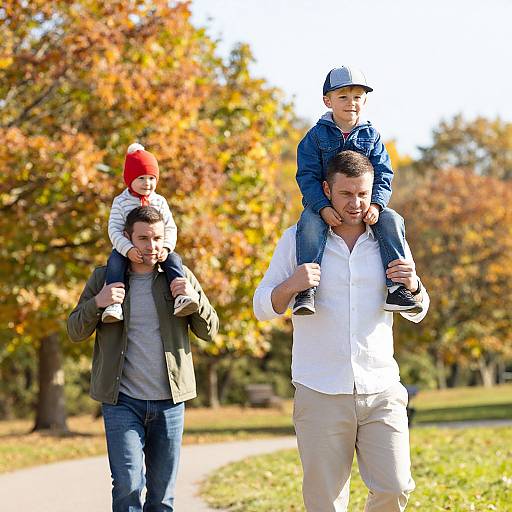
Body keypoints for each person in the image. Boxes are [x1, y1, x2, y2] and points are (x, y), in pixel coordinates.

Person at [254, 151, 430, 512]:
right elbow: (261, 307)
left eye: (363, 194)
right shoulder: (297, 240)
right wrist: (292, 284)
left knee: (395, 487)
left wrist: (413, 284)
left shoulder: (388, 239)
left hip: (380, 388)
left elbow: (418, 311)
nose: (356, 203)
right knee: (325, 502)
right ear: (326, 190)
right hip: (320, 391)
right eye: (347, 194)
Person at [67, 206, 219, 512]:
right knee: (127, 485)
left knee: (162, 497)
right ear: (127, 239)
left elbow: (210, 330)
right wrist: (99, 302)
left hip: (170, 403)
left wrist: (194, 297)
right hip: (122, 401)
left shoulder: (178, 276)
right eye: (143, 238)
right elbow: (74, 330)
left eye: (157, 238)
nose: (151, 247)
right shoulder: (104, 278)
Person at [294, 65, 419, 315]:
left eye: (357, 97)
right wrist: (322, 207)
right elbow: (306, 176)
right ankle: (306, 290)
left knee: (392, 220)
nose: (351, 103)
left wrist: (376, 205)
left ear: (365, 101)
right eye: (343, 97)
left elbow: (383, 174)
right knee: (308, 223)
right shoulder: (315, 137)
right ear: (327, 101)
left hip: (365, 205)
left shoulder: (371, 136)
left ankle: (397, 288)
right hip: (324, 204)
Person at [102, 142, 198, 323]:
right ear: (130, 179)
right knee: (115, 262)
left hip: (158, 250)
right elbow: (114, 229)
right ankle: (114, 303)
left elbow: (170, 227)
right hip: (126, 247)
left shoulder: (159, 201)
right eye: (141, 178)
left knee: (174, 260)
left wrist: (166, 247)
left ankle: (180, 296)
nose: (148, 183)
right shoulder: (121, 202)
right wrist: (128, 249)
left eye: (152, 178)